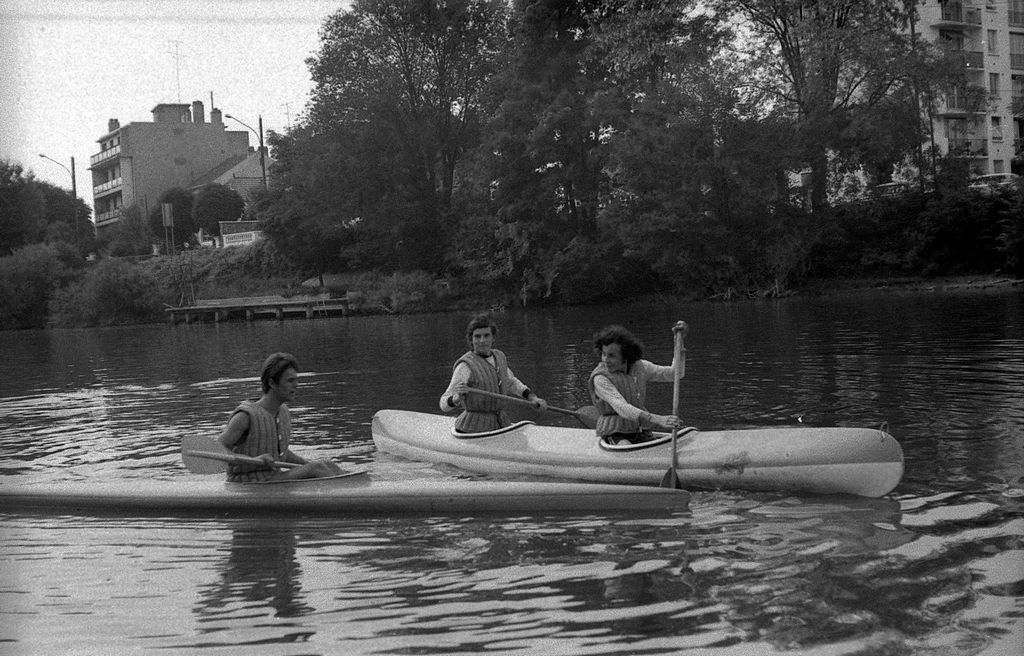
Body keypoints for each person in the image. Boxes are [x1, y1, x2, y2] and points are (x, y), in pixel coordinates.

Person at [218, 352, 342, 481]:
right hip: (249, 483)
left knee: (328, 465)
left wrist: (308, 464)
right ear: (272, 383)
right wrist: (253, 461)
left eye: (296, 380)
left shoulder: (282, 411)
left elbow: (281, 453)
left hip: (273, 478)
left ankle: (355, 491)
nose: (296, 385)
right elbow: (218, 450)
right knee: (318, 468)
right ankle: (344, 497)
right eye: (290, 380)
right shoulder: (244, 417)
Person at [440, 313, 548, 432]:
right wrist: (457, 398)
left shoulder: (499, 357)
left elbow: (511, 383)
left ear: (493, 338)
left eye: (486, 335)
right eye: (477, 336)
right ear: (471, 339)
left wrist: (533, 398)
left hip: (500, 423)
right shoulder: (465, 366)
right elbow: (443, 404)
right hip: (472, 428)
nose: (482, 341)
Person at [587, 325, 683, 445]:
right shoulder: (600, 378)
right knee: (625, 446)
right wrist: (657, 418)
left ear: (625, 356)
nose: (605, 359)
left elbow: (675, 374)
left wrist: (679, 344)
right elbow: (622, 407)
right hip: (615, 433)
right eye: (604, 354)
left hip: (639, 429)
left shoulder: (640, 367)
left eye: (611, 355)